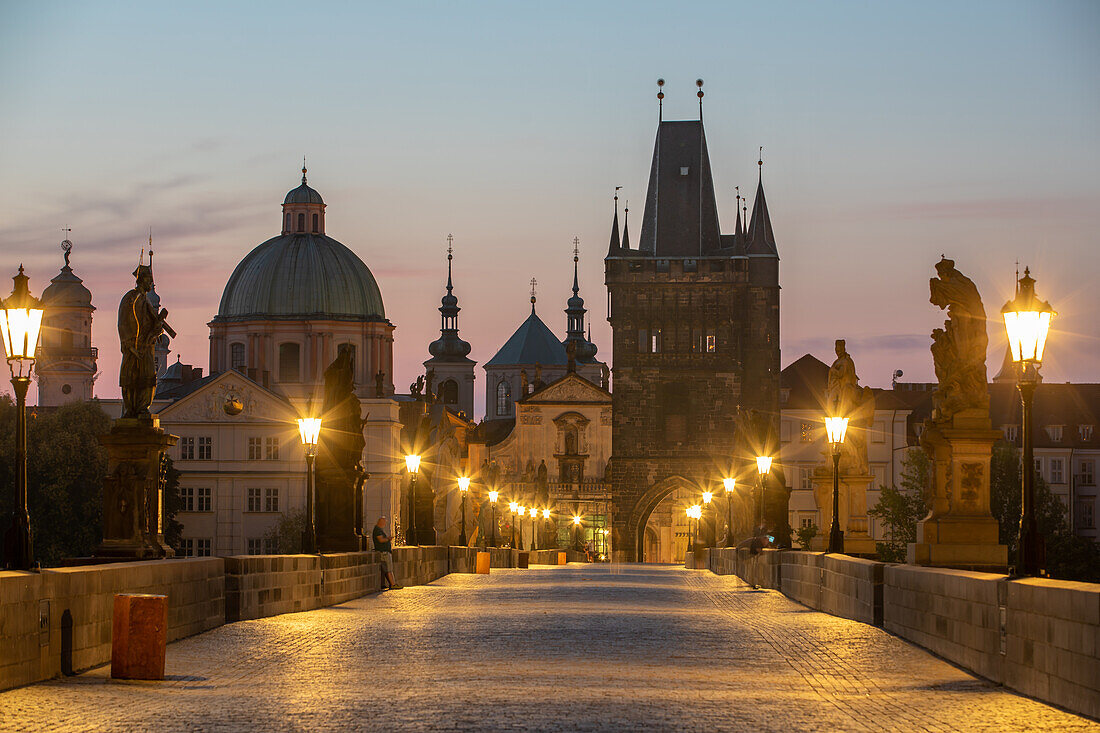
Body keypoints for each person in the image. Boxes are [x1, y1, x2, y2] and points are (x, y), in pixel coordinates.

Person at [372, 517, 402, 590]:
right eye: (384, 522)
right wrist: (388, 539)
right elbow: (381, 540)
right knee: (389, 568)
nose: (384, 524)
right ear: (381, 522)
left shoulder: (378, 529)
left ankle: (388, 583)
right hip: (384, 552)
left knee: (386, 569)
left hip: (385, 551)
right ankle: (393, 584)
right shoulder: (378, 530)